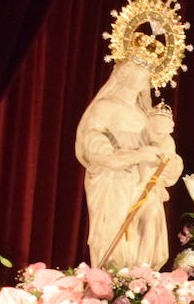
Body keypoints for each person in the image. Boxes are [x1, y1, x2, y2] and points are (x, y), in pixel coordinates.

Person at [75, 60, 183, 269]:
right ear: (125, 74)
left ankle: (141, 281)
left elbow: (164, 149)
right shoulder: (105, 107)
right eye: (141, 72)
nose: (146, 78)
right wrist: (136, 155)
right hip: (115, 182)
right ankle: (113, 284)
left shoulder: (146, 114)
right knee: (114, 235)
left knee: (148, 225)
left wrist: (169, 164)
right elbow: (94, 144)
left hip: (145, 184)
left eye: (148, 73)